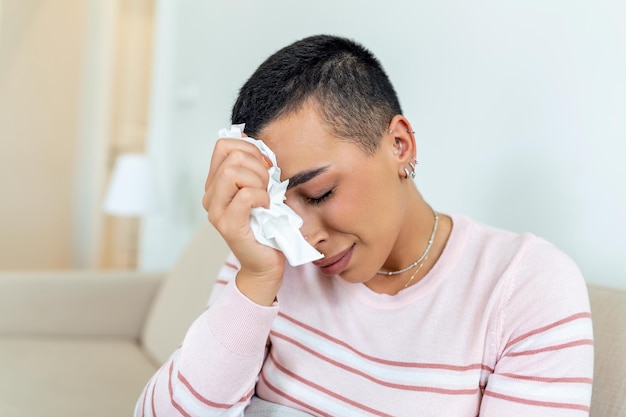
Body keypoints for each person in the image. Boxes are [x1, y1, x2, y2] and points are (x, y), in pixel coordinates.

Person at [135, 35, 593, 416]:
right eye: (281, 209)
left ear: (399, 144)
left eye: (320, 194)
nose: (304, 238)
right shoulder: (267, 263)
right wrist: (255, 281)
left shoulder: (526, 287)